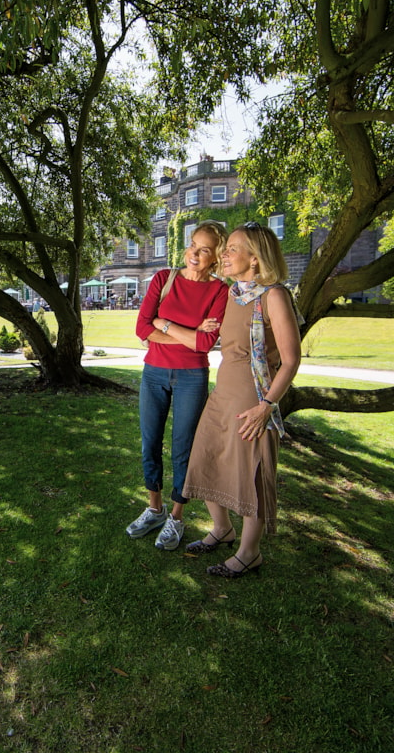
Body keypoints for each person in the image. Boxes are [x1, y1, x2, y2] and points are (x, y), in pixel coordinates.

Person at [182, 222, 301, 577]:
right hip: (223, 394)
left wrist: (267, 406)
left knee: (251, 475)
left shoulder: (273, 296)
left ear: (255, 258)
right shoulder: (233, 294)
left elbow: (291, 360)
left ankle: (250, 552)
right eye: (226, 248)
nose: (224, 255)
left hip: (253, 400)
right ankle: (222, 528)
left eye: (233, 248)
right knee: (205, 460)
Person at [126, 221, 230, 550]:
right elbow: (142, 328)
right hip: (154, 371)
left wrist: (165, 323)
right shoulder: (163, 278)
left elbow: (205, 344)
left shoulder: (219, 291)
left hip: (192, 376)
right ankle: (154, 508)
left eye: (204, 250)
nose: (194, 254)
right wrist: (189, 331)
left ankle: (176, 517)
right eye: (192, 245)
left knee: (184, 448)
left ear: (215, 257)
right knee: (149, 443)